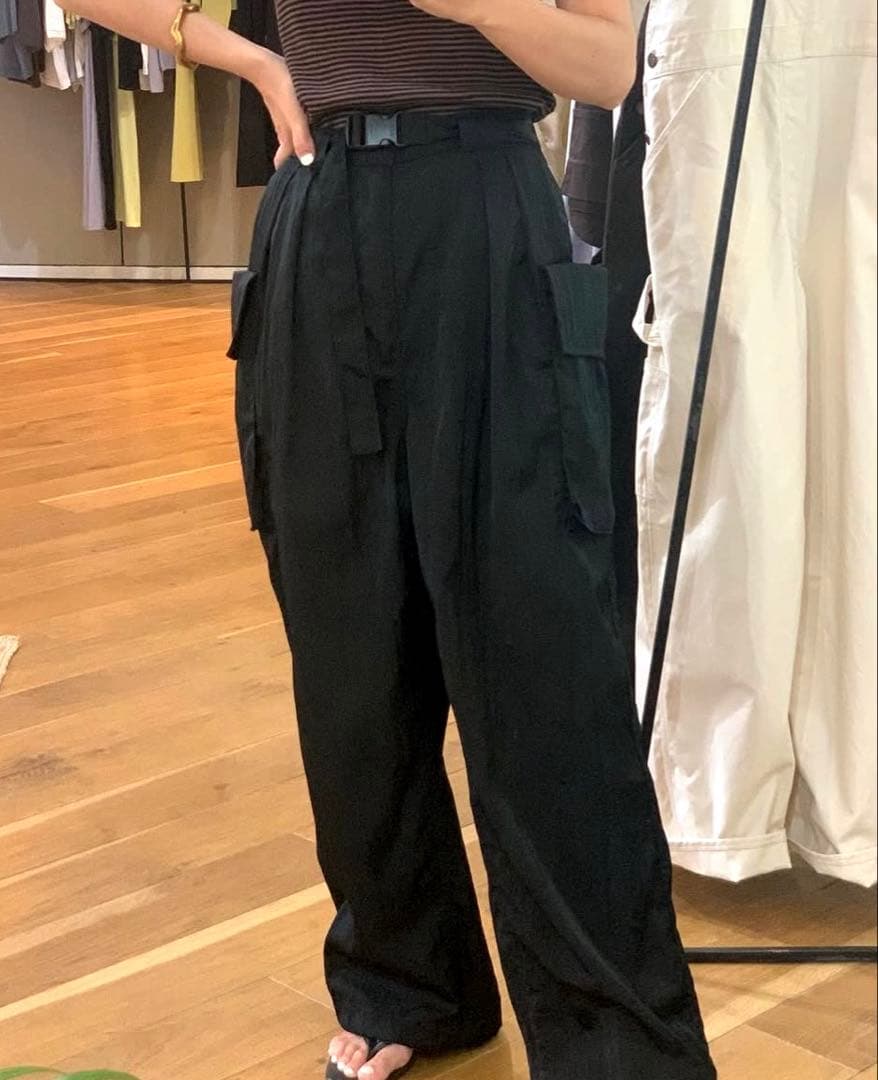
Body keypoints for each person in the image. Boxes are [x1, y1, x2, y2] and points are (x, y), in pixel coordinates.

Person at [63, 2, 716, 1079]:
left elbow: (608, 67)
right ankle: (408, 982)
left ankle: (614, 1042)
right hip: (316, 219)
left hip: (487, 221)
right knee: (347, 647)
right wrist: (249, 58)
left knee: (541, 651)